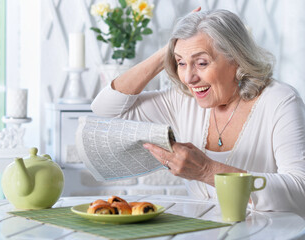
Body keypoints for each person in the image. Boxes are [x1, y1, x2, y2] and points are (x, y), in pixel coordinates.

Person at [91, 8, 305, 215]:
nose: (188, 78)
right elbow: (105, 111)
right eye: (181, 63)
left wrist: (208, 171)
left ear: (237, 59)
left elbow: (300, 189)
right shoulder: (182, 99)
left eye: (201, 63)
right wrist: (166, 53)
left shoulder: (280, 101)